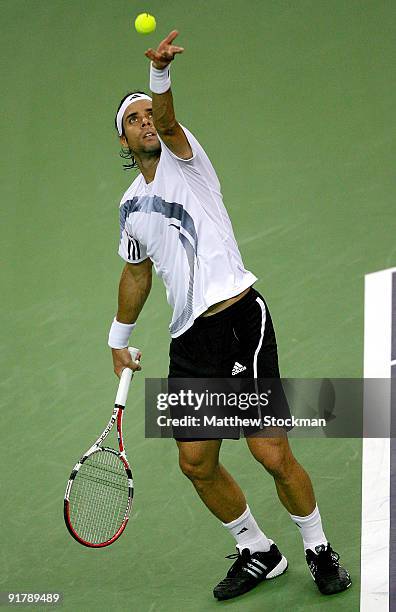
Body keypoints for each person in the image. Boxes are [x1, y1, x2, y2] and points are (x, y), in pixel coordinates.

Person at [108, 30, 351, 601]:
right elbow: (137, 272)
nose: (147, 122)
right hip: (191, 338)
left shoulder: (184, 160)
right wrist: (118, 337)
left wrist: (160, 76)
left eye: (149, 114)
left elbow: (169, 122)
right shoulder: (129, 208)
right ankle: (259, 552)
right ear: (121, 138)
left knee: (269, 450)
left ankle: (317, 548)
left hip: (241, 318)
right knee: (195, 462)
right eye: (134, 119)